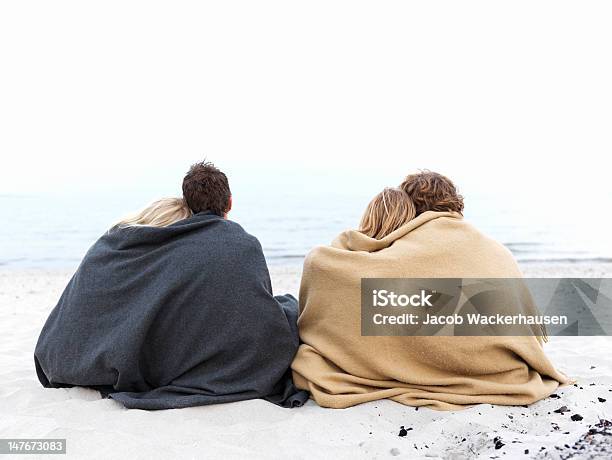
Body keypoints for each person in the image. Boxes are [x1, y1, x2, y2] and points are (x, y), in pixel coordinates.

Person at [35, 161, 308, 410]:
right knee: (287, 312)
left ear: (188, 204)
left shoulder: (121, 243)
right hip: (155, 354)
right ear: (231, 203)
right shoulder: (240, 243)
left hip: (60, 359)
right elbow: (255, 307)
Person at [291, 170, 569, 410]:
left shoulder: (411, 246)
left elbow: (355, 279)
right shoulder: (496, 249)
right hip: (506, 368)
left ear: (411, 208)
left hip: (453, 365)